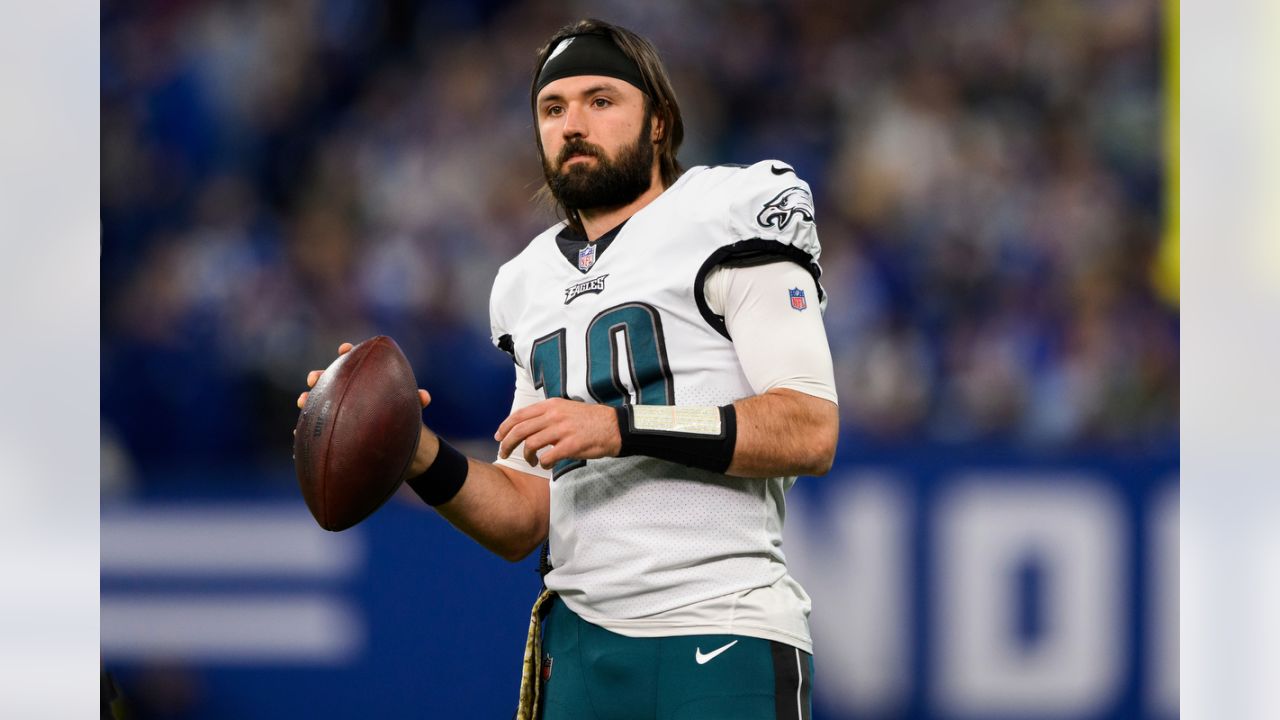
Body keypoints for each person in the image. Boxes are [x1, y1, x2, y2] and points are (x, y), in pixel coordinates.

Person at [298, 18, 838, 720]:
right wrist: (415, 451)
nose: (573, 122)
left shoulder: (728, 211)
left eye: (600, 100)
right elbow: (526, 514)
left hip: (719, 623)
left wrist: (621, 426)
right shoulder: (525, 284)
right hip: (577, 651)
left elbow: (809, 427)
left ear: (658, 122)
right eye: (553, 109)